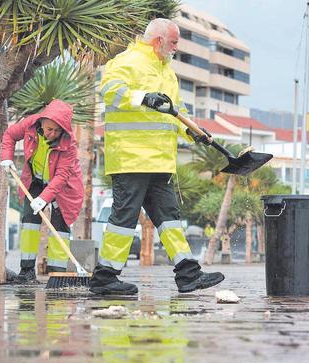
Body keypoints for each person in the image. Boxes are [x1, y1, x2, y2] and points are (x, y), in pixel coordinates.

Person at [94, 18, 224, 296]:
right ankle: (105, 278)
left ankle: (188, 274)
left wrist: (194, 133)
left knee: (170, 217)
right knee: (125, 217)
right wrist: (144, 97)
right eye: (174, 42)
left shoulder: (168, 72)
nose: (177, 48)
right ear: (158, 40)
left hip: (159, 160)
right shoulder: (127, 61)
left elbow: (176, 112)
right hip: (131, 156)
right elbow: (109, 90)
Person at [0, 100, 84, 283]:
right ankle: (27, 271)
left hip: (65, 187)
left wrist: (44, 198)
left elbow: (62, 176)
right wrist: (7, 157)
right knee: (29, 222)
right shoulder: (30, 124)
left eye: (57, 130)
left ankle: (58, 274)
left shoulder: (68, 144)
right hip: (36, 180)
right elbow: (9, 135)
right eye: (49, 129)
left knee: (59, 227)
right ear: (42, 122)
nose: (52, 133)